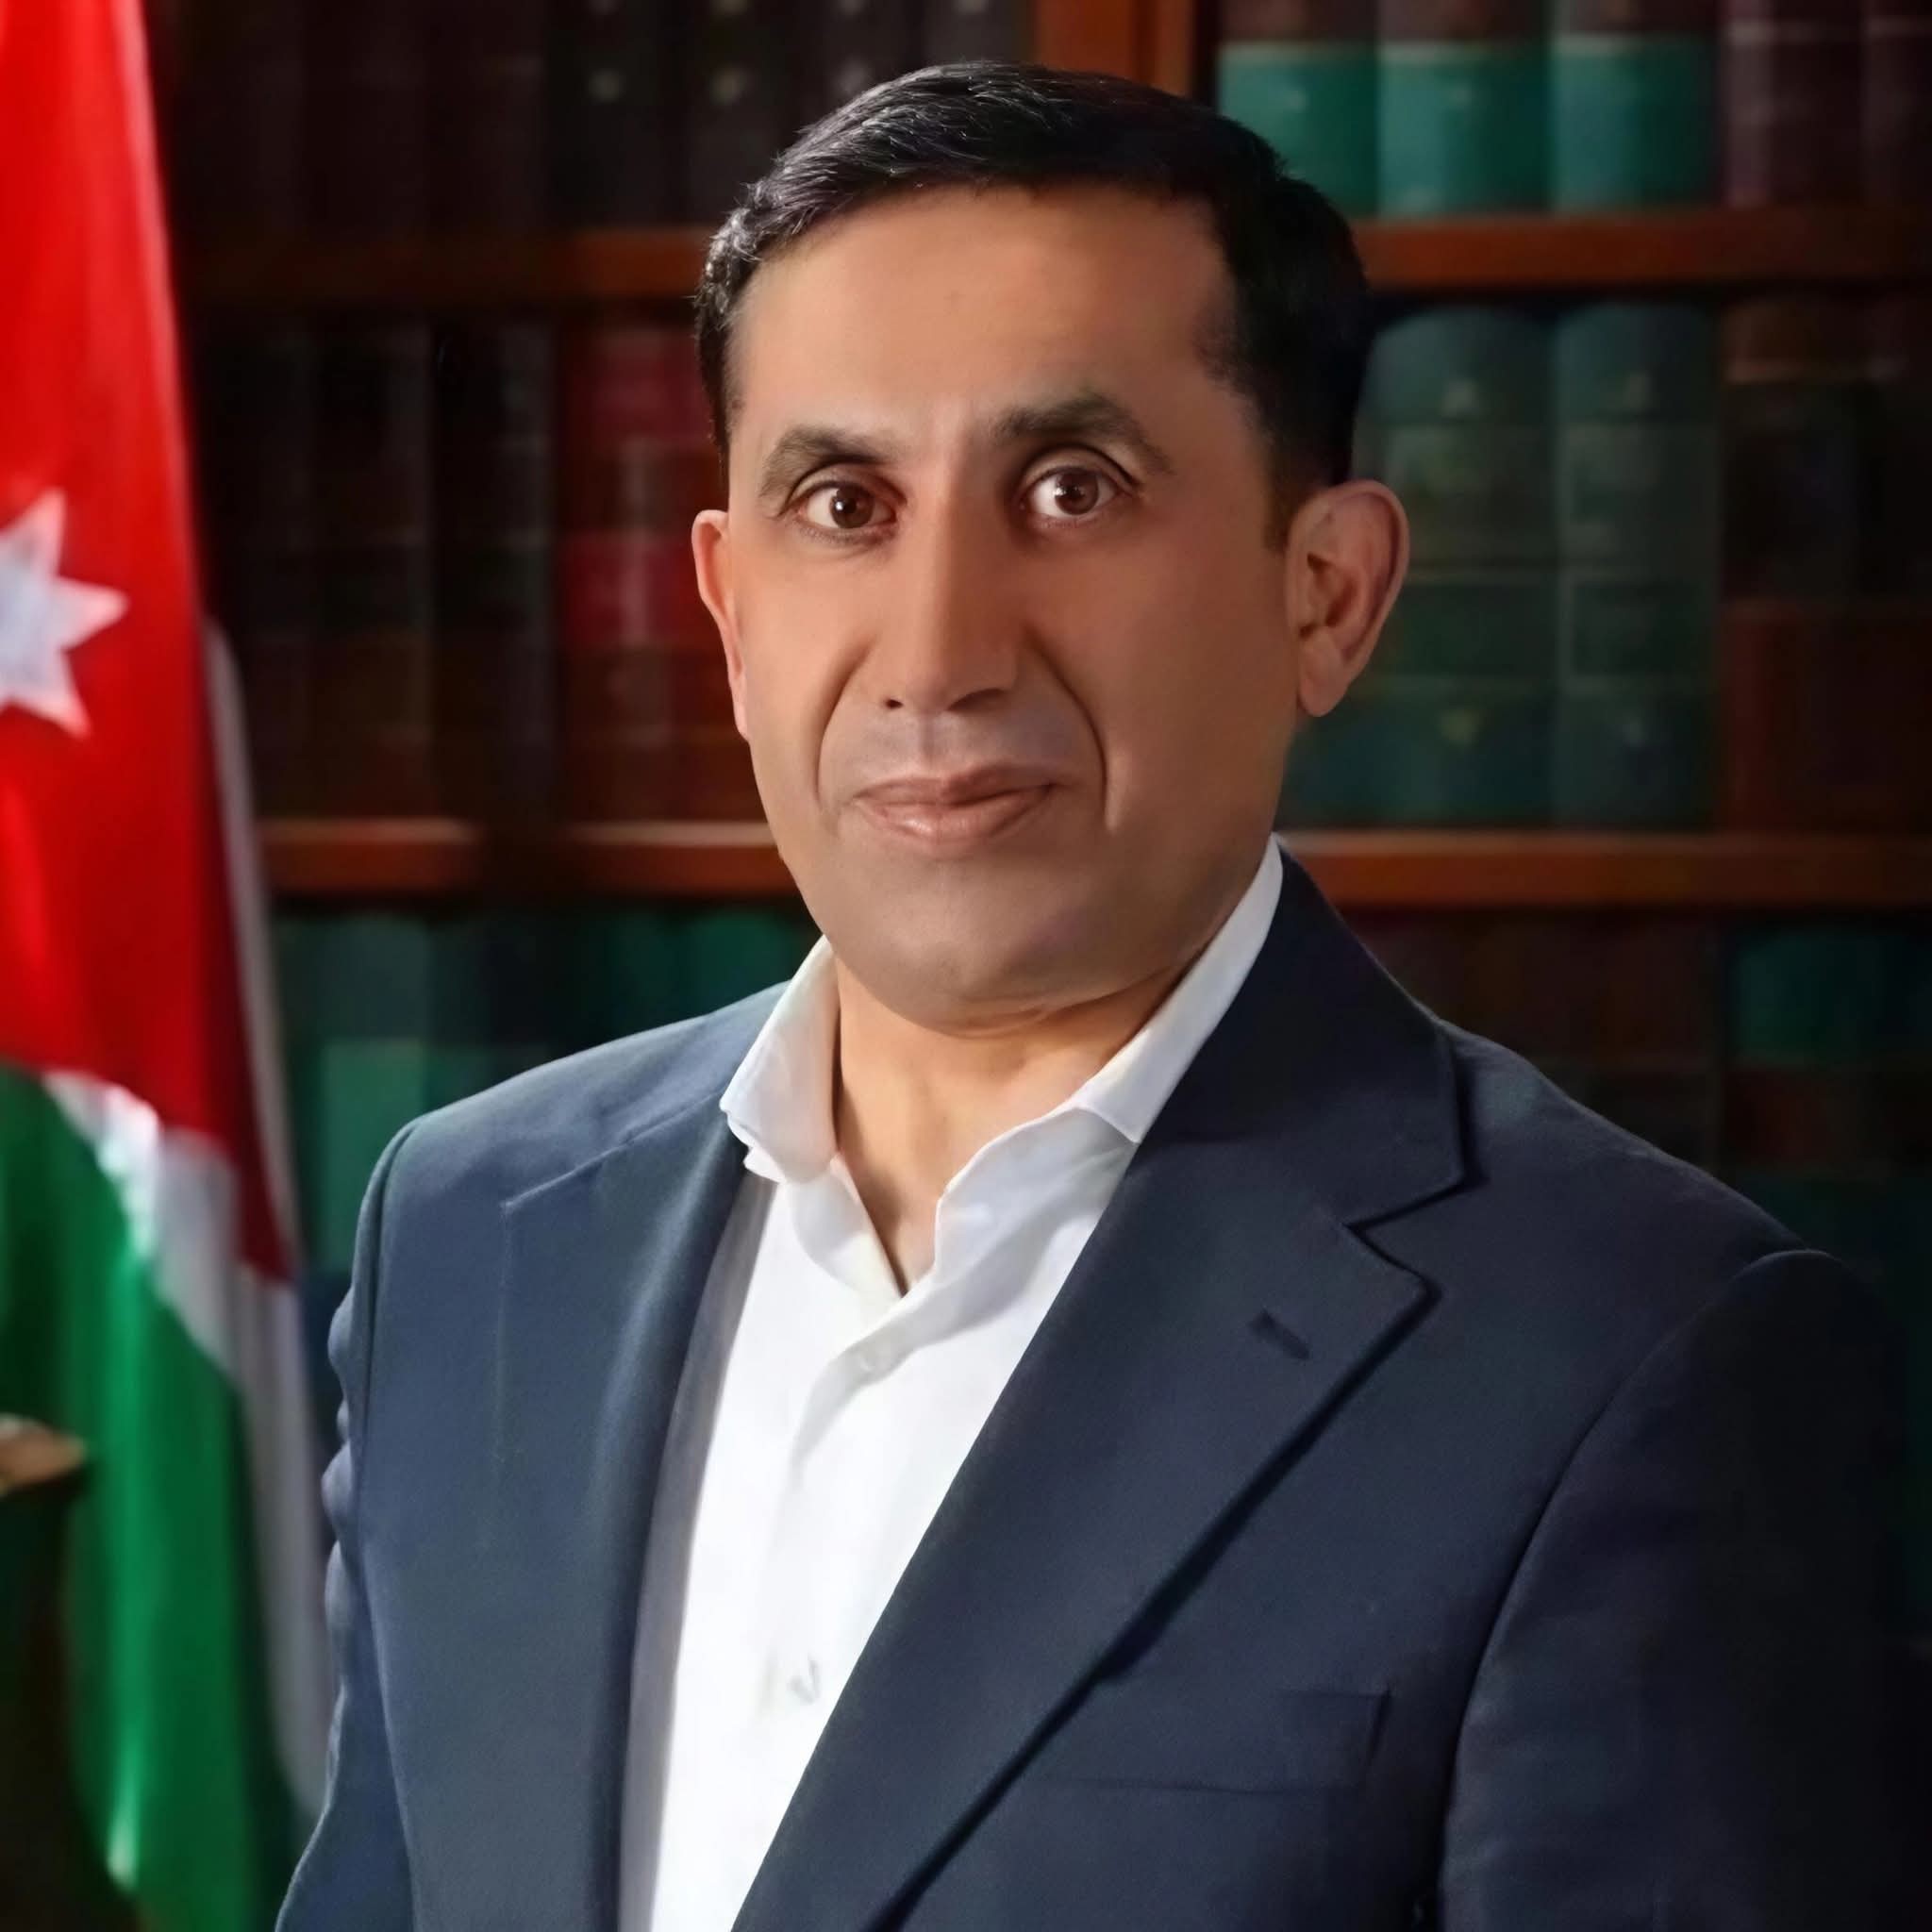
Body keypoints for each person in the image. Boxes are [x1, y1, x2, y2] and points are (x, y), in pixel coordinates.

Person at [277, 62, 1908, 1932]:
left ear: (1327, 594)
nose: (940, 653)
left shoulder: (1631, 1356)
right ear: (726, 614)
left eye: (1071, 491)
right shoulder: (474, 1233)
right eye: (843, 502)